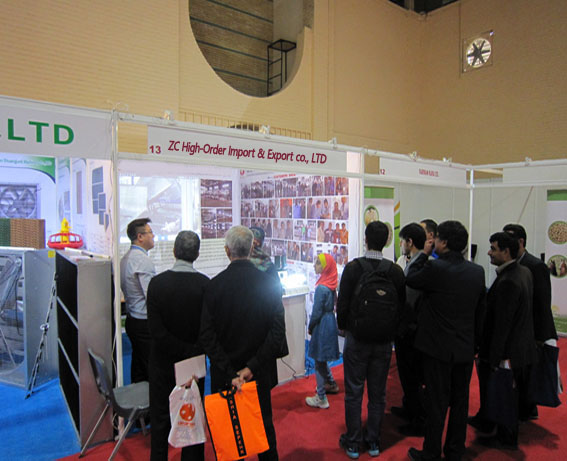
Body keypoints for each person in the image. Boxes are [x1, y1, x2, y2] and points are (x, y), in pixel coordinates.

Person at [199, 226, 286, 461]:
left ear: (227, 251)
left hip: (224, 374)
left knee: (229, 437)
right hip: (258, 371)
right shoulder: (268, 283)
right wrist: (251, 367)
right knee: (264, 429)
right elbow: (277, 333)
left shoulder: (213, 286)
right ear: (250, 249)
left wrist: (230, 372)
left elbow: (207, 336)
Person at [405, 220, 486, 461]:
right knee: (460, 402)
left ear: (444, 242)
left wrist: (423, 254)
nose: (434, 242)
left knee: (437, 402)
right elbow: (480, 312)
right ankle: (455, 450)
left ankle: (431, 451)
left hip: (437, 348)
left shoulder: (436, 268)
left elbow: (411, 278)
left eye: (436, 238)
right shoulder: (477, 272)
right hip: (464, 348)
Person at [337, 221, 406, 459]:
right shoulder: (395, 271)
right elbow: (401, 307)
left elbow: (342, 304)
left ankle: (353, 443)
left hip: (357, 339)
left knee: (354, 392)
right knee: (378, 394)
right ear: (387, 241)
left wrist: (344, 328)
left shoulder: (353, 268)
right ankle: (374, 441)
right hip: (384, 341)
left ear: (365, 239)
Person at [147, 231, 209, 461]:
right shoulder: (205, 285)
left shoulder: (157, 284)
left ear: (174, 251)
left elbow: (156, 331)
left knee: (160, 419)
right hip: (193, 365)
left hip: (162, 362)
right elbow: (207, 330)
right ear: (197, 254)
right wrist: (191, 352)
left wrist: (181, 350)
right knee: (192, 416)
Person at [472, 232, 537, 448]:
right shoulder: (523, 272)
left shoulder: (508, 281)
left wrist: (494, 358)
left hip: (508, 351)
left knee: (505, 394)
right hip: (520, 347)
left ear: (506, 251)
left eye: (493, 248)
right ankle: (491, 422)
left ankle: (506, 437)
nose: (489, 253)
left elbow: (502, 325)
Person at [503, 223, 558, 420]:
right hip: (517, 328)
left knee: (530, 373)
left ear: (520, 241)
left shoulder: (535, 266)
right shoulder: (510, 263)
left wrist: (539, 336)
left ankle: (527, 409)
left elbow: (542, 303)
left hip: (532, 329)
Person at [391, 223, 427, 436]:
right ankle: (410, 409)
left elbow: (410, 302)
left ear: (410, 242)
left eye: (402, 241)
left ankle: (418, 419)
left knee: (411, 376)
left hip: (411, 331)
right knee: (407, 376)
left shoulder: (418, 266)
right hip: (410, 329)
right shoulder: (413, 263)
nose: (400, 245)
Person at [120, 217, 156, 384]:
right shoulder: (142, 261)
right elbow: (151, 296)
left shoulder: (126, 258)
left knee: (139, 366)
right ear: (140, 237)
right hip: (144, 323)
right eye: (150, 232)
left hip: (133, 319)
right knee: (151, 368)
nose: (153, 236)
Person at [305, 253, 340, 409]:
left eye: (318, 263)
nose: (314, 265)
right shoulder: (331, 284)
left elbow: (316, 312)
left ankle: (321, 398)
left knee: (319, 360)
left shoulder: (321, 288)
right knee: (322, 358)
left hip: (322, 325)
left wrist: (311, 326)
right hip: (329, 322)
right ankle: (331, 383)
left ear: (326, 267)